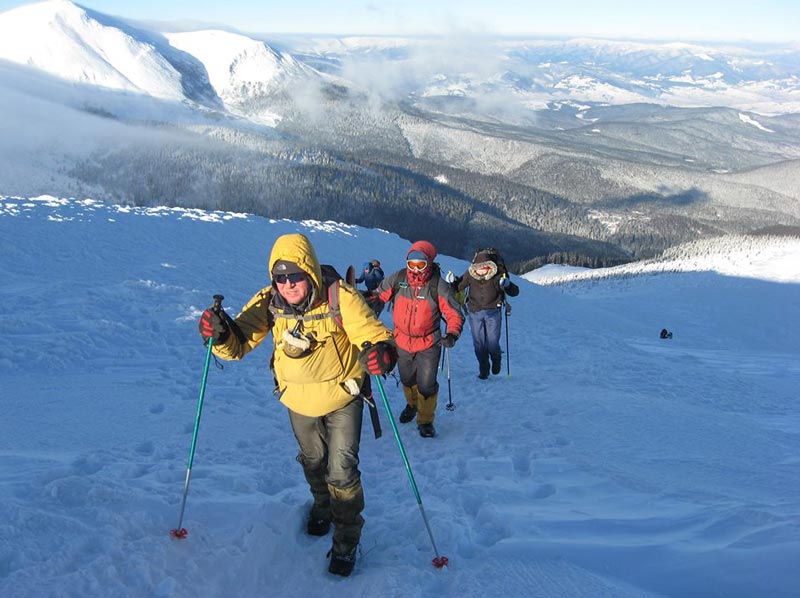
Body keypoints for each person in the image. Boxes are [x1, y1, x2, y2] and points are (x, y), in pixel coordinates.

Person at [197, 233, 397, 577]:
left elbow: (376, 335)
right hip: (298, 399)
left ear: (310, 272)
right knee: (313, 460)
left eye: (295, 275)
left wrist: (383, 354)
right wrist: (218, 335)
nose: (288, 284)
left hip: (343, 397)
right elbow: (239, 343)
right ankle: (323, 506)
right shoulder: (268, 302)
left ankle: (346, 540)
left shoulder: (340, 297)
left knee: (342, 469)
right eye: (280, 277)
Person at [373, 240, 464, 438]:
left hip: (429, 343)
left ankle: (425, 419)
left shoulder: (437, 285)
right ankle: (412, 405)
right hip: (402, 341)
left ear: (429, 263)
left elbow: (454, 313)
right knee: (407, 379)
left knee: (426, 384)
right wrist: (366, 304)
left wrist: (452, 333)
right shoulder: (399, 278)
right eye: (411, 264)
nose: (415, 269)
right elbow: (379, 295)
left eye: (420, 265)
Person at [456, 248, 519, 379]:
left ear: (490, 266)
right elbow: (458, 286)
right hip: (475, 312)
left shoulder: (498, 273)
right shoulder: (470, 274)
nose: (481, 271)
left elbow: (514, 292)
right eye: (479, 268)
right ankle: (484, 369)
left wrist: (507, 285)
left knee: (492, 342)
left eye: (484, 268)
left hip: (493, 312)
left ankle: (496, 359)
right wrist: (450, 283)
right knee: (479, 344)